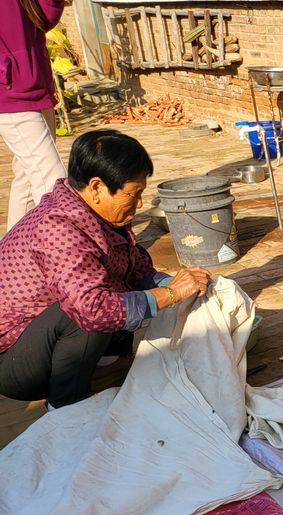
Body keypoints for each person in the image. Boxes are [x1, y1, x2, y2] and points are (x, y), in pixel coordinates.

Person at [0, 129, 211, 409]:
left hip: (42, 339)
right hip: (14, 364)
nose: (139, 204)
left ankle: (106, 360)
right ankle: (66, 403)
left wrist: (166, 283)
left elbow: (131, 265)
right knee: (87, 311)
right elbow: (92, 309)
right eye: (133, 195)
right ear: (97, 187)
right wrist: (170, 295)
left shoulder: (96, 211)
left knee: (118, 294)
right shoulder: (57, 229)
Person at [1, 0, 69, 230]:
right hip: (8, 92)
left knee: (28, 181)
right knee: (54, 181)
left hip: (35, 84)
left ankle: (11, 259)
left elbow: (44, 18)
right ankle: (71, 257)